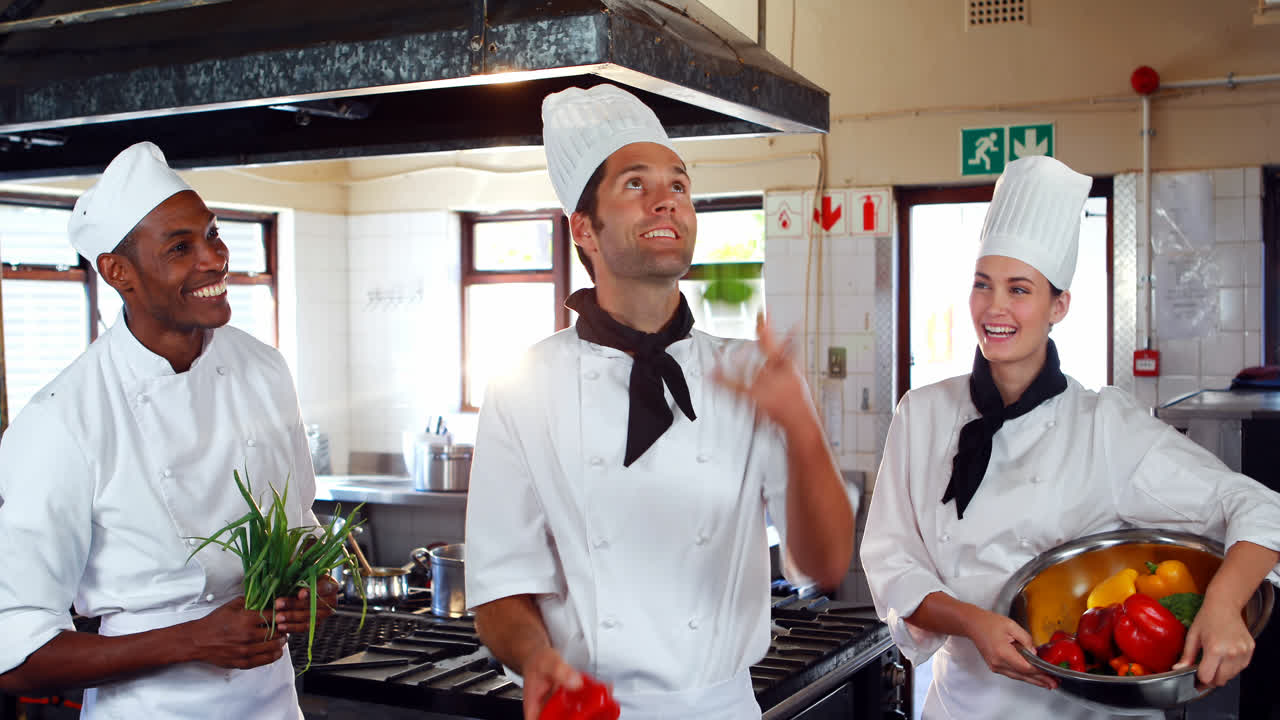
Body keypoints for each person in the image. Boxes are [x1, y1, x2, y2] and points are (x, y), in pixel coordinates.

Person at [463, 83, 855, 720]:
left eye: (679, 184)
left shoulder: (752, 371)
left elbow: (826, 563)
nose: (667, 198)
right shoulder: (523, 385)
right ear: (584, 228)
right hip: (591, 711)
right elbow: (500, 588)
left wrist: (801, 428)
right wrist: (536, 658)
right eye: (635, 184)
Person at [861, 155, 1280, 719]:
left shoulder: (1104, 425)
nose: (996, 307)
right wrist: (972, 622)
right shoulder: (922, 414)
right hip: (960, 706)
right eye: (983, 285)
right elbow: (892, 562)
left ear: (1059, 306)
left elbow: (1258, 507)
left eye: (1020, 289)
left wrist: (1225, 605)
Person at [0, 142, 336, 718]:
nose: (214, 259)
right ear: (117, 272)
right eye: (181, 247)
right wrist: (192, 641)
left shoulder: (264, 369)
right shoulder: (62, 419)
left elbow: (302, 530)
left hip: (274, 704)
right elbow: (14, 652)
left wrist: (312, 589)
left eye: (213, 233)